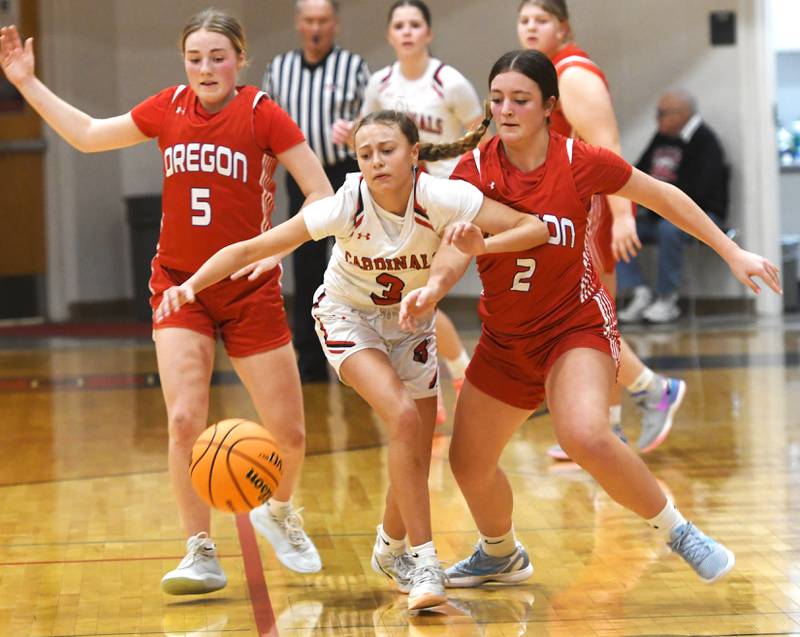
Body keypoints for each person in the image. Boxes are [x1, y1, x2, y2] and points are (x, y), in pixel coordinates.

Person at [399, 49, 781, 587]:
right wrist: (436, 286)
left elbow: (664, 196)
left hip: (573, 327)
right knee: (468, 463)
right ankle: (500, 552)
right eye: (498, 99)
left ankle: (679, 530)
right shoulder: (473, 171)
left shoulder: (579, 160)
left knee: (584, 433)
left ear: (550, 107)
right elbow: (458, 247)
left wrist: (732, 252)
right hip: (506, 340)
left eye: (521, 100)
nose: (506, 109)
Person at [154, 109, 550, 609]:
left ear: (413, 154)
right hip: (348, 317)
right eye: (365, 154)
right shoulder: (346, 204)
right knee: (403, 416)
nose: (376, 162)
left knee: (415, 438)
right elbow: (249, 248)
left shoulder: (444, 198)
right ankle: (427, 560)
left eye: (387, 150)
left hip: (410, 325)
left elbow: (532, 227)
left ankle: (392, 547)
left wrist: (482, 245)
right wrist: (189, 287)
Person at [0, 10, 331, 593]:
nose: (206, 68)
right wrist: (26, 81)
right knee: (183, 419)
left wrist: (277, 248)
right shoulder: (168, 106)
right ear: (184, 62)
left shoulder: (263, 114)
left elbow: (321, 198)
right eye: (195, 57)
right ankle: (199, 550)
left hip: (249, 288)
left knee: (292, 437)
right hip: (181, 285)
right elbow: (88, 135)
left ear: (240, 60)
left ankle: (279, 512)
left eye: (218, 57)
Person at [517, 0, 687, 458]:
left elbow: (608, 148)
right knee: (589, 323)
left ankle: (652, 390)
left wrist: (625, 215)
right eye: (524, 20)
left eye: (541, 20)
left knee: (587, 324)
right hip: (571, 215)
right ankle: (611, 430)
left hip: (592, 213)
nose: (531, 27)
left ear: (563, 26)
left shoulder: (573, 74)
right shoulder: (547, 73)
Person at [332, 0, 482, 422]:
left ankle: (447, 376)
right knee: (416, 299)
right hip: (399, 207)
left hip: (443, 204)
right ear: (389, 35)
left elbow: (480, 140)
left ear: (429, 33)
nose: (408, 32)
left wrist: (468, 187)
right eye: (399, 25)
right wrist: (349, 138)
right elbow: (372, 141)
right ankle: (445, 377)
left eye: (415, 24)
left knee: (422, 297)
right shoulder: (379, 83)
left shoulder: (449, 82)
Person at [264, 0, 370, 383]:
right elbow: (267, 123)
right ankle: (310, 363)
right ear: (298, 23)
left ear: (335, 24)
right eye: (309, 20)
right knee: (306, 266)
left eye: (323, 21)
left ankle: (362, 356)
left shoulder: (354, 67)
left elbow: (374, 119)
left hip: (347, 173)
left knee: (355, 263)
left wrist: (356, 129)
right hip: (302, 179)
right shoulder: (279, 69)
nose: (315, 28)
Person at [617, 89, 729, 323]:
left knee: (669, 230)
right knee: (615, 229)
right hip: (659, 214)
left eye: (661, 113)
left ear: (682, 114)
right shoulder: (662, 136)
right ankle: (639, 292)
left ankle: (667, 299)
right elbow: (637, 172)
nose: (657, 119)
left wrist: (658, 203)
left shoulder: (705, 141)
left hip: (701, 215)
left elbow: (698, 193)